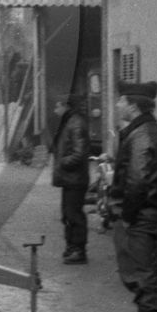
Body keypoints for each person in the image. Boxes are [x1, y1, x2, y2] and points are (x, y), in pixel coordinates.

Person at [109, 80, 157, 312]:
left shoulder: (143, 137)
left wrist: (126, 217)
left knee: (146, 278)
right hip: (145, 216)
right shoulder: (142, 132)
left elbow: (137, 182)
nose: (117, 105)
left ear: (133, 106)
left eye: (121, 101)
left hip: (140, 218)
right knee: (144, 276)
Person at [50, 94, 92, 265]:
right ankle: (72, 247)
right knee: (68, 214)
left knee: (74, 215)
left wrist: (62, 162)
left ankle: (78, 249)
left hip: (75, 179)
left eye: (56, 106)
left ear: (64, 106)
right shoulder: (71, 122)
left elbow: (79, 153)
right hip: (71, 179)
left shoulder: (75, 124)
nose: (55, 110)